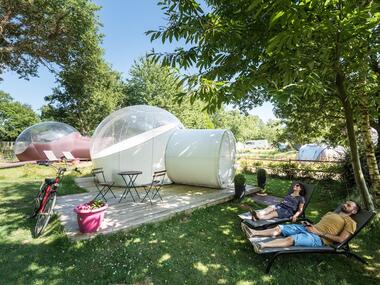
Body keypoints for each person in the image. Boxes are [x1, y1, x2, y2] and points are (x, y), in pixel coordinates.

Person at [241, 201, 360, 252]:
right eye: (346, 203)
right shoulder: (331, 213)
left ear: (353, 211)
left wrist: (318, 233)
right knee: (280, 228)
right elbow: (321, 225)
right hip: (309, 228)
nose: (345, 204)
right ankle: (253, 232)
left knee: (291, 239)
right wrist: (309, 225)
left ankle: (262, 245)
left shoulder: (350, 222)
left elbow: (341, 240)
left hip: (320, 239)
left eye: (349, 205)